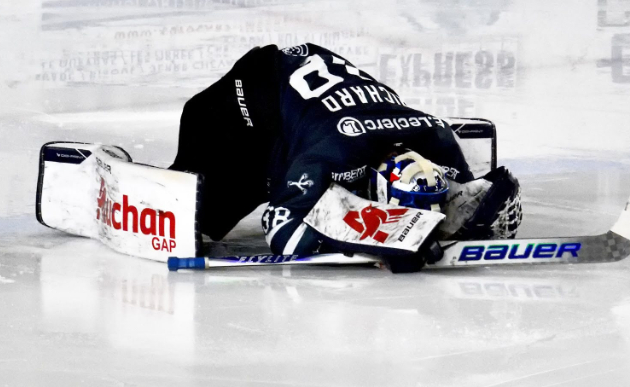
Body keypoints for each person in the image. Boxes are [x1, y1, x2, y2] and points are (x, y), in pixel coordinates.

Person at [169, 43, 521, 272]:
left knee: (299, 163)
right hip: (246, 101)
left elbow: (462, 191)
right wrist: (380, 242)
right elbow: (283, 234)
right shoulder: (332, 154)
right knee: (196, 214)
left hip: (312, 108)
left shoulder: (437, 137)